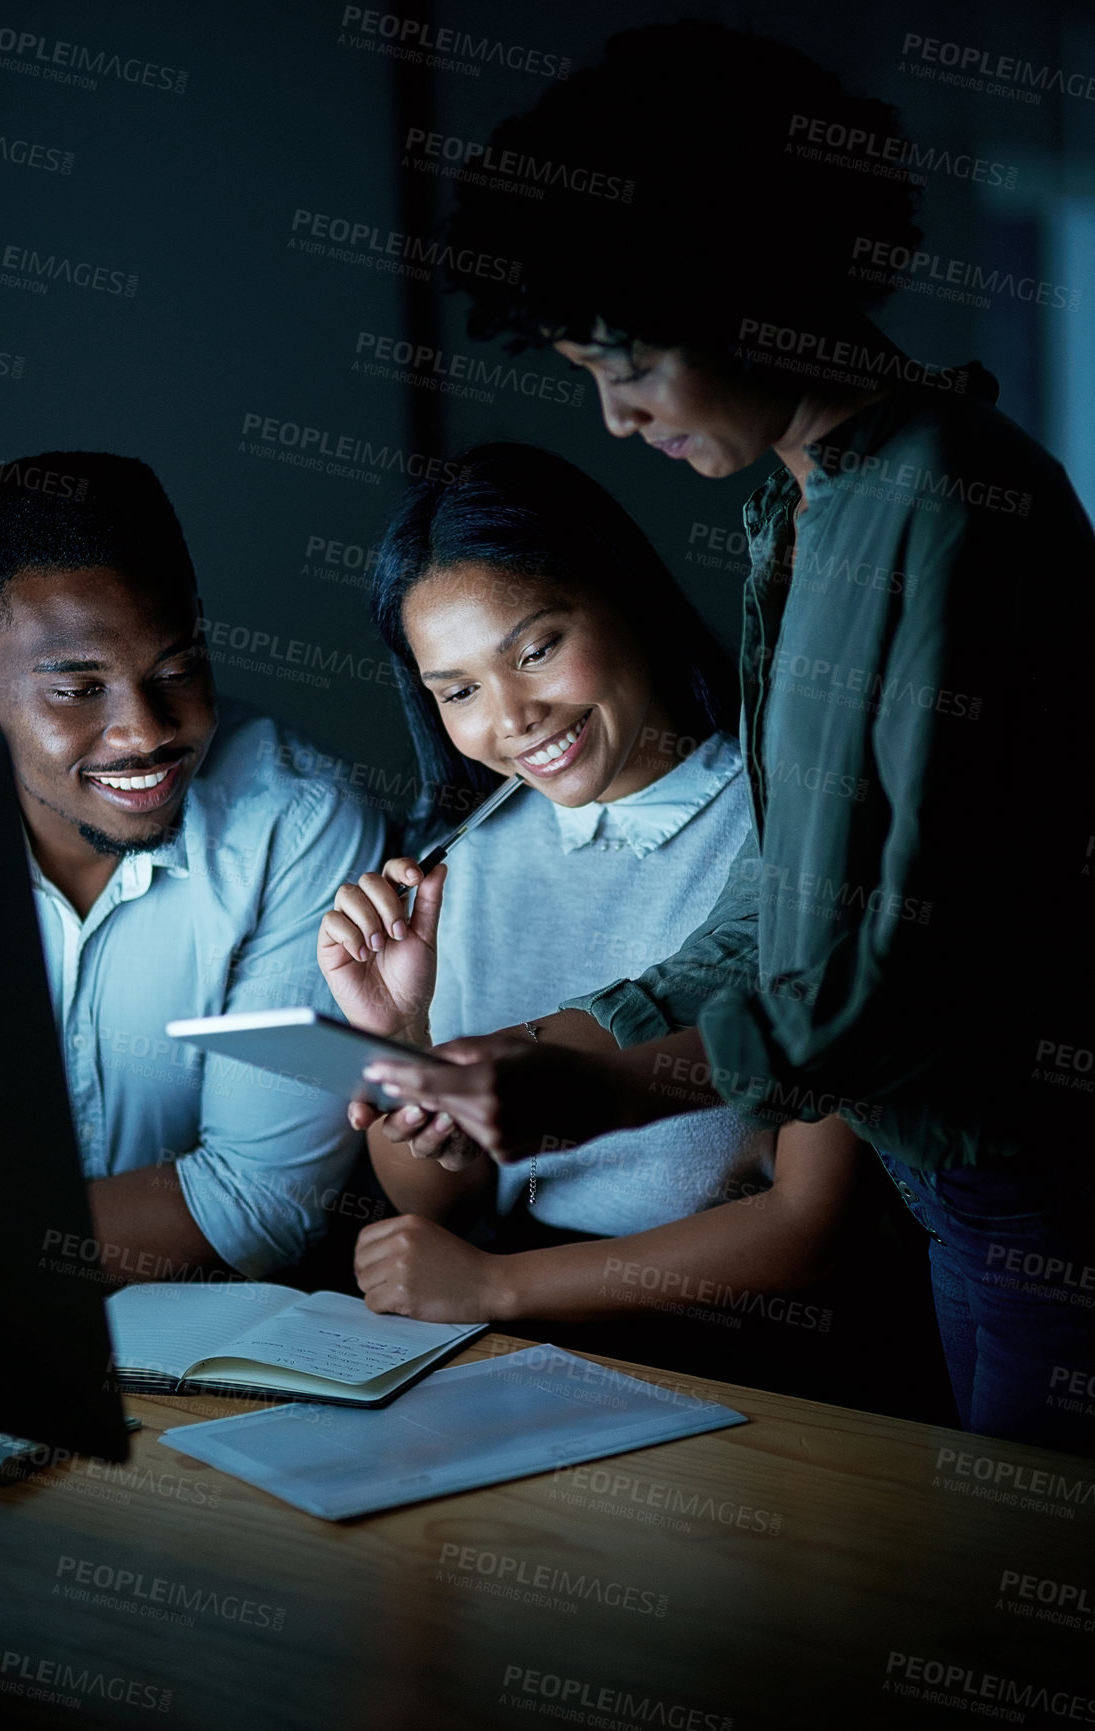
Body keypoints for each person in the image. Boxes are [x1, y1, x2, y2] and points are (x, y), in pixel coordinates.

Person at [354, 24, 1095, 1449]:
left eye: (627, 359)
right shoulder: (803, 506)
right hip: (959, 1189)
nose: (615, 416)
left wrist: (604, 1081)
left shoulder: (946, 504)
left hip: (1036, 1185)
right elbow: (787, 897)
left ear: (749, 284)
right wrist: (564, 1039)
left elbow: (894, 963)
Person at [319, 443, 944, 1409]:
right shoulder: (463, 866)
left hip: (748, 1352)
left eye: (535, 650)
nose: (513, 718)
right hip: (511, 1333)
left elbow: (813, 1226)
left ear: (625, 597)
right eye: (459, 692)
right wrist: (396, 1035)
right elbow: (436, 1201)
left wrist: (499, 1288)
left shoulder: (791, 829)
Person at [0, 451, 385, 1283]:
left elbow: (253, 1206)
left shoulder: (296, 825)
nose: (145, 732)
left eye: (177, 669)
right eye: (78, 689)